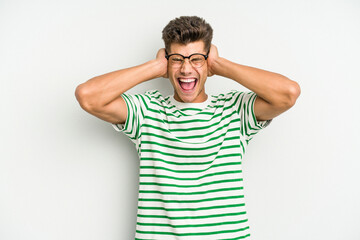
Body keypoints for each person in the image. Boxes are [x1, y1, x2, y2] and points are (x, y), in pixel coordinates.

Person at [75, 16, 300, 240]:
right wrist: (154, 67)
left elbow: (288, 94)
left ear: (208, 59)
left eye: (196, 59)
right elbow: (88, 96)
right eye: (177, 59)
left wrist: (220, 65)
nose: (185, 69)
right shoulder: (147, 111)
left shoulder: (234, 110)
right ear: (166, 61)